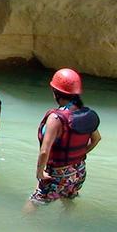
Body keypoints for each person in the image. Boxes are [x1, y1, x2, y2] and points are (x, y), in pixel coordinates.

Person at [29, 68, 101, 205]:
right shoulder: (85, 114)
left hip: (58, 174)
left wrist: (39, 172)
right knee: (68, 201)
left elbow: (45, 151)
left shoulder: (56, 118)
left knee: (34, 203)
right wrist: (79, 154)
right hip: (79, 171)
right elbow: (97, 138)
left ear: (55, 92)